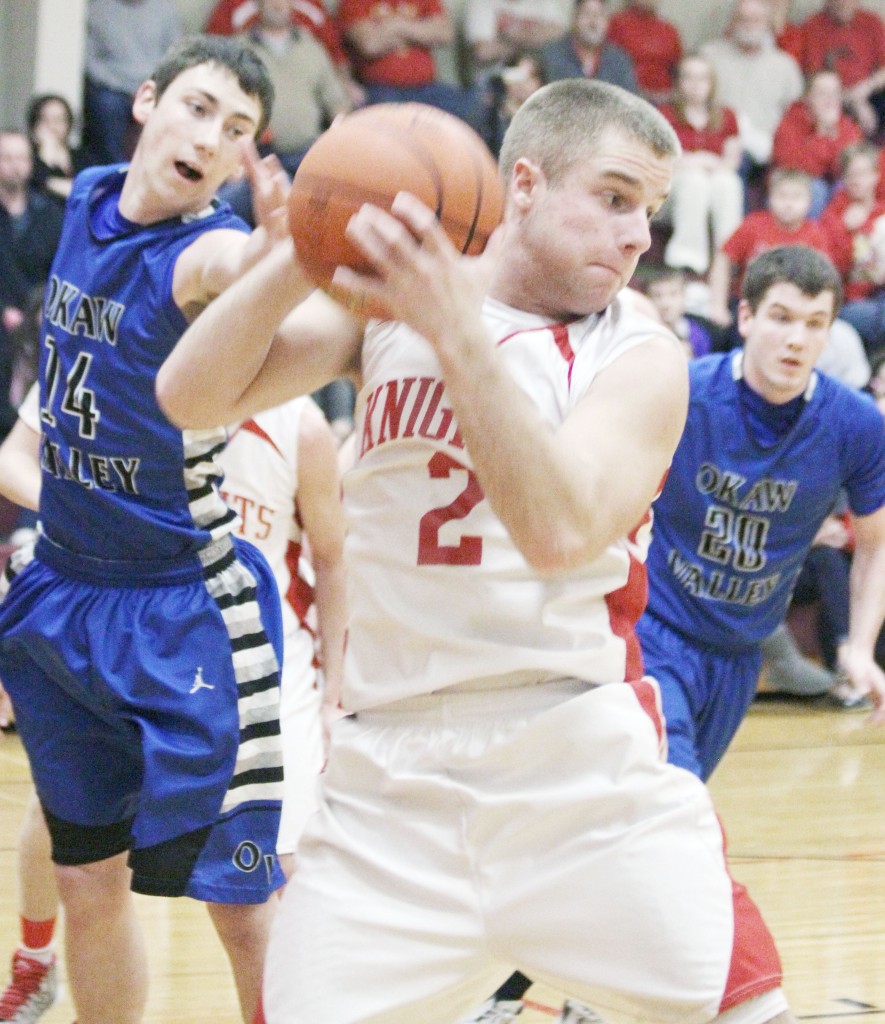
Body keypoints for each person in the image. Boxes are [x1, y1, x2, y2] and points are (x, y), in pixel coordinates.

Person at [159, 78, 799, 1024]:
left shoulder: (641, 356)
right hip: (387, 779)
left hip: (574, 762)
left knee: (750, 1011)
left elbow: (557, 532)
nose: (637, 236)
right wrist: (308, 241)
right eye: (615, 198)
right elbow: (189, 396)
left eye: (651, 212)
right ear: (525, 185)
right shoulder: (382, 313)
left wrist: (457, 329)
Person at [0, 35, 291, 1024]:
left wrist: (287, 250)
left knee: (240, 901)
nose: (212, 140)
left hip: (187, 607)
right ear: (149, 101)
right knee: (88, 880)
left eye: (240, 131)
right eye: (201, 109)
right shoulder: (83, 198)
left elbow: (234, 261)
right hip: (66, 589)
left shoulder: (202, 252)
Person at [638, 244, 885, 785]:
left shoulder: (857, 427)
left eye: (815, 323)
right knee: (673, 805)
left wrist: (861, 646)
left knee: (663, 809)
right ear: (746, 318)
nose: (797, 338)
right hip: (653, 634)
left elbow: (876, 543)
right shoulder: (684, 392)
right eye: (781, 318)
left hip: (740, 655)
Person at [700, 0, 803, 199]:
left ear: (768, 23)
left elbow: (797, 116)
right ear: (733, 21)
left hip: (771, 147)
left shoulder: (785, 65)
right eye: (743, 19)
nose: (749, 25)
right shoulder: (710, 57)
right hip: (721, 142)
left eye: (756, 20)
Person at [708, 167, 831, 328]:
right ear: (769, 198)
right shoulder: (753, 225)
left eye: (796, 197)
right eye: (782, 196)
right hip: (752, 305)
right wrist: (718, 305)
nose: (789, 203)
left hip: (796, 309)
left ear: (809, 202)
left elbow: (825, 277)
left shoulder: (816, 234)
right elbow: (723, 259)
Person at [658, 52, 744, 276]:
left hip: (715, 184)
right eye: (689, 78)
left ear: (712, 83)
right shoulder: (664, 114)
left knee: (728, 182)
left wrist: (697, 161)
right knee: (694, 180)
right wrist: (700, 161)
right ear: (678, 82)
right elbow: (660, 160)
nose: (696, 85)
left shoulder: (727, 116)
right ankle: (688, 259)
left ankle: (729, 256)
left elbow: (731, 162)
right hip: (671, 190)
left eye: (703, 78)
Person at [336, 0, 474, 121]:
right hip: (381, 91)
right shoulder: (354, 2)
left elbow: (445, 33)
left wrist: (396, 26)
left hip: (428, 87)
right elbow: (370, 45)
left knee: (469, 109)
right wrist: (420, 30)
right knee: (390, 132)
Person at [82, 0, 183, 164]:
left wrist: (152, 84)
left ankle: (158, 164)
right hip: (113, 87)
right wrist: (124, 87)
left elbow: (175, 56)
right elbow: (90, 61)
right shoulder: (97, 8)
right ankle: (116, 169)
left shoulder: (166, 9)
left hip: (154, 84)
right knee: (106, 105)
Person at [820, 142, 885, 358]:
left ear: (876, 176)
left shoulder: (882, 212)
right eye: (852, 174)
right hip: (853, 302)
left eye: (864, 173)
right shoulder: (833, 217)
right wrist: (846, 232)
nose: (858, 180)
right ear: (843, 179)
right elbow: (830, 272)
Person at [772, 70, 863, 220]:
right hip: (791, 192)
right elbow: (796, 171)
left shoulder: (848, 127)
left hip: (833, 189)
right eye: (822, 93)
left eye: (835, 93)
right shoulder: (789, 124)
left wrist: (832, 134)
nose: (829, 99)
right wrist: (822, 133)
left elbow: (849, 169)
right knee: (816, 188)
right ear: (807, 98)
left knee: (846, 187)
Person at [796, 0, 885, 140]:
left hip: (868, 94)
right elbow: (815, 77)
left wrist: (865, 89)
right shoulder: (813, 26)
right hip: (832, 96)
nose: (844, 3)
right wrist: (853, 101)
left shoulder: (872, 23)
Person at [536, 0, 639, 95]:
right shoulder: (550, 55)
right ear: (574, 18)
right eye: (587, 14)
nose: (593, 22)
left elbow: (631, 103)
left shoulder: (619, 60)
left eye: (599, 15)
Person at [463, 0, 572, 85]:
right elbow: (484, 52)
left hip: (540, 81)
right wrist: (533, 38)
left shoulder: (543, 2)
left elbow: (559, 33)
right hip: (495, 81)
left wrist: (510, 37)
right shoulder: (482, 2)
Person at [606, 0, 682, 104]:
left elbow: (679, 71)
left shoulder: (669, 30)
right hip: (627, 99)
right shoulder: (616, 24)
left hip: (665, 103)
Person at [25, 94, 86, 204]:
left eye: (58, 120)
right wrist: (45, 155)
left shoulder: (79, 155)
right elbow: (35, 186)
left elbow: (88, 188)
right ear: (34, 124)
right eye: (45, 120)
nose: (52, 126)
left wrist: (51, 183)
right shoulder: (26, 155)